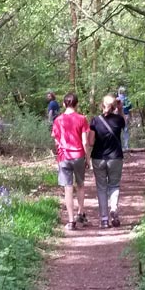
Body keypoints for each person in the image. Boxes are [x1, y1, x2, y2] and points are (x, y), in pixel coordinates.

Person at [51, 92, 91, 230]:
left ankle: (71, 220)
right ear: (77, 104)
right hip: (78, 155)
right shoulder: (82, 119)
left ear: (63, 104)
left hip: (64, 157)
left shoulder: (58, 120)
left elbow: (56, 139)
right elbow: (85, 142)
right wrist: (87, 158)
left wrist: (61, 147)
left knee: (68, 188)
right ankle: (80, 212)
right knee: (80, 185)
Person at [89, 94, 125, 228]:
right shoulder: (118, 120)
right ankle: (114, 208)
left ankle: (104, 219)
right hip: (115, 157)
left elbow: (91, 142)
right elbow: (124, 123)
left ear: (101, 105)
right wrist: (120, 109)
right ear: (114, 106)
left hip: (98, 158)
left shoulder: (95, 121)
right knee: (114, 185)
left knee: (101, 188)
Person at [117, 86, 132, 151]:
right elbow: (130, 107)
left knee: (119, 131)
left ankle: (120, 146)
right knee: (125, 130)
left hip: (119, 116)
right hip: (125, 115)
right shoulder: (126, 99)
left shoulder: (117, 99)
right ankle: (126, 146)